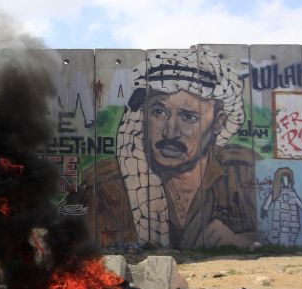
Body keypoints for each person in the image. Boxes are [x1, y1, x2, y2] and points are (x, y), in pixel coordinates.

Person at [79, 48, 257, 249]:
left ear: (218, 123)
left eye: (188, 117)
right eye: (159, 112)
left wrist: (240, 241)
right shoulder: (104, 186)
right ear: (143, 115)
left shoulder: (244, 172)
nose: (170, 133)